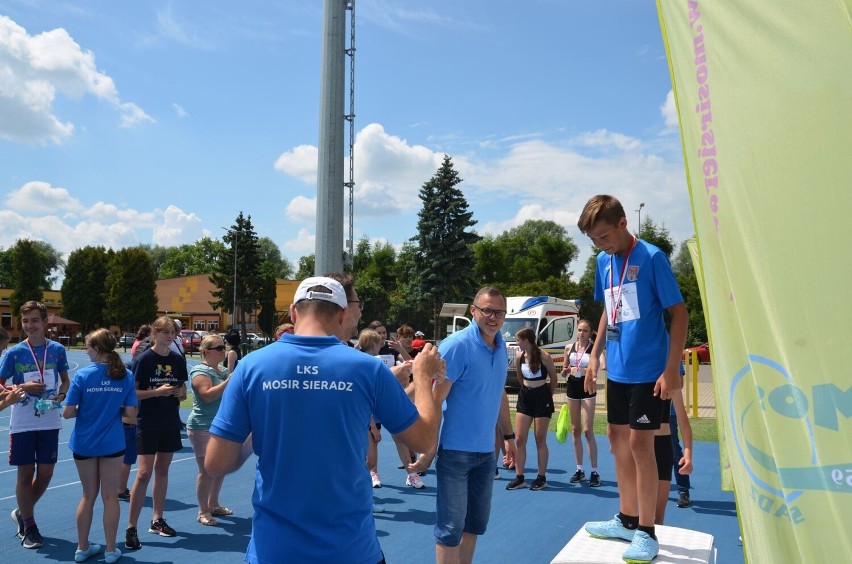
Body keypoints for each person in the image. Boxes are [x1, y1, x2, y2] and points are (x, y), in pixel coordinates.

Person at [205, 276, 445, 563]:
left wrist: (260, 432)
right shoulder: (368, 370)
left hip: (274, 550)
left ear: (293, 312)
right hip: (349, 549)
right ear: (342, 315)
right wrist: (422, 376)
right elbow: (426, 441)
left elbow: (217, 463)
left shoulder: (252, 366)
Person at [578, 195, 687, 563]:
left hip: (649, 371)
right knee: (615, 438)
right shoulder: (602, 261)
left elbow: (680, 314)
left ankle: (646, 530)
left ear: (623, 223)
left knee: (641, 444)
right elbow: (609, 309)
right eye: (593, 239)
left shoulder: (652, 257)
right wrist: (594, 357)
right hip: (619, 370)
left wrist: (671, 369)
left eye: (604, 235)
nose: (600, 244)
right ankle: (626, 518)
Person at [433, 286, 516, 564]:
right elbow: (435, 398)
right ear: (473, 311)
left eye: (499, 312)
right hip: (455, 452)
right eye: (487, 310)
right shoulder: (456, 346)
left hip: (486, 455)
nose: (493, 317)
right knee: (449, 531)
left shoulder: (502, 347)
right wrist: (427, 447)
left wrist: (509, 435)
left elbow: (499, 394)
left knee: (473, 526)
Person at [63, 329, 138, 564]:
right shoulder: (125, 375)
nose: (86, 351)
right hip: (112, 443)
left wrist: (85, 409)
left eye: (87, 347)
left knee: (88, 495)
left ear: (96, 348)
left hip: (84, 444)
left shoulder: (83, 376)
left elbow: (67, 413)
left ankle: (82, 547)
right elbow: (131, 416)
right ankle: (109, 550)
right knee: (110, 497)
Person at [0, 300, 70, 550]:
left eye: (35, 320)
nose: (30, 325)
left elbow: (65, 381)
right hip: (23, 422)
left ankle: (22, 511)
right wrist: (21, 388)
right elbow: (0, 385)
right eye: (26, 321)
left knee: (47, 473)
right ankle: (29, 525)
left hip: (50, 419)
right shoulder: (14, 352)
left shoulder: (57, 350)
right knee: (25, 473)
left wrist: (60, 398)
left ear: (45, 322)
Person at [124, 316, 188, 551]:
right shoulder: (144, 359)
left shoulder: (177, 359)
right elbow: (132, 393)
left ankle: (157, 519)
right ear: (154, 333)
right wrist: (157, 392)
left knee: (163, 470)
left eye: (173, 333)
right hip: (147, 421)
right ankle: (131, 527)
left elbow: (183, 392)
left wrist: (180, 392)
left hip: (170, 421)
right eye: (165, 333)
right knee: (142, 474)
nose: (170, 337)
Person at [187, 334, 250, 526]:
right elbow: (206, 396)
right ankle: (202, 510)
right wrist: (228, 382)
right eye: (218, 348)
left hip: (220, 426)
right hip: (202, 426)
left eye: (223, 347)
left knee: (219, 467)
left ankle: (213, 504)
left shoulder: (222, 370)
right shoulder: (199, 372)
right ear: (206, 351)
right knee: (206, 471)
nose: (223, 351)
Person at [506, 327, 557, 491]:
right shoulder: (520, 357)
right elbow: (520, 377)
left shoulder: (544, 356)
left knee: (539, 438)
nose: (517, 343)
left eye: (518, 340)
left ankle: (541, 477)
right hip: (525, 397)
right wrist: (526, 390)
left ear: (526, 341)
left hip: (542, 397)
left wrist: (546, 395)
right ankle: (519, 477)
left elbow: (554, 378)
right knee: (520, 439)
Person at [562, 319, 603, 487]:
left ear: (590, 332)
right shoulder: (568, 348)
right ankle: (580, 469)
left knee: (587, 430)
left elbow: (601, 367)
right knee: (575, 429)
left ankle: (594, 471)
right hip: (572, 388)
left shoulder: (594, 349)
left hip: (588, 389)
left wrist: (588, 370)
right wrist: (566, 370)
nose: (581, 333)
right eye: (579, 330)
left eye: (585, 330)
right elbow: (564, 371)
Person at [654, 391, 693, 524]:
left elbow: (684, 422)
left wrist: (688, 453)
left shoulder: (671, 382)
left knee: (656, 519)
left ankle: (683, 490)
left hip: (664, 431)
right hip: (641, 450)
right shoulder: (637, 377)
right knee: (639, 512)